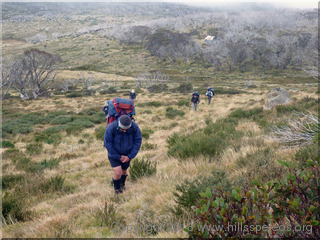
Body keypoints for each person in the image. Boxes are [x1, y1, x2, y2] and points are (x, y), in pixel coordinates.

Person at [104, 115, 142, 194]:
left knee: (124, 172)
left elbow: (137, 141)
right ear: (119, 125)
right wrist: (118, 157)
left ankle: (122, 185)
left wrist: (130, 156)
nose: (124, 131)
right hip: (114, 154)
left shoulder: (134, 127)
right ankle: (118, 191)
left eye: (126, 129)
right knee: (118, 172)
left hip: (127, 155)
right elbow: (108, 144)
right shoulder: (111, 127)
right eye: (122, 129)